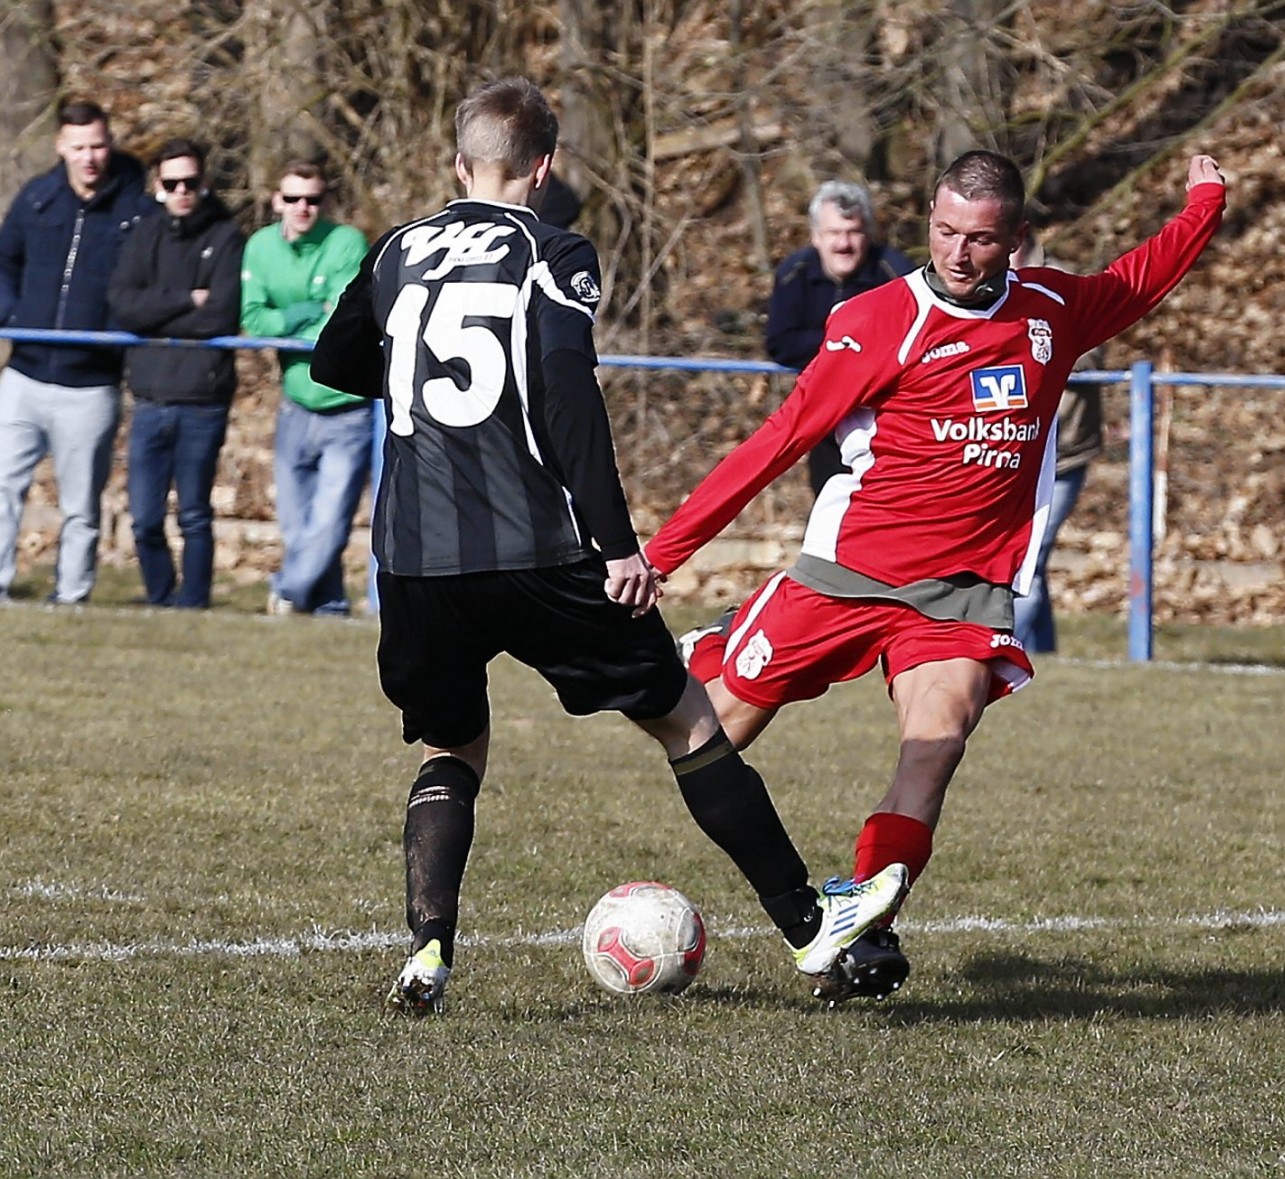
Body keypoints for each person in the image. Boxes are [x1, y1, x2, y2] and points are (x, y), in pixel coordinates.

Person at [310, 76, 906, 1016]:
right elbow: (568, 398)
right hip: (537, 544)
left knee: (451, 744)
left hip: (415, 558)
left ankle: (428, 951)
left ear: (457, 162)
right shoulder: (551, 251)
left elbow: (332, 361)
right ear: (542, 167)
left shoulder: (396, 249)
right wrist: (619, 545)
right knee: (687, 721)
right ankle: (808, 926)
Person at [649, 150, 1226, 1003]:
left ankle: (863, 928)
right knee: (713, 733)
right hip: (847, 572)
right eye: (946, 230)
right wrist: (661, 553)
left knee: (939, 737)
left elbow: (1139, 278)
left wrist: (1205, 201)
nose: (959, 252)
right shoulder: (876, 320)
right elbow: (778, 441)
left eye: (982, 239)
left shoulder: (1052, 311)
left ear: (1016, 241)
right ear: (927, 220)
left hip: (960, 591)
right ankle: (716, 649)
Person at [0, 100, 154, 605]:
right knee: (3, 489)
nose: (90, 157)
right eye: (80, 147)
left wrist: (109, 334)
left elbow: (144, 285)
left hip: (90, 385)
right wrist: (14, 317)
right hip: (23, 374)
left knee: (80, 505)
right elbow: (5, 263)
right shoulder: (36, 199)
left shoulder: (138, 211)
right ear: (61, 146)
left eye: (98, 145)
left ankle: (71, 596)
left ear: (110, 145)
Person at [107, 138, 245, 608]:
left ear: (203, 183)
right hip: (149, 397)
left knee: (193, 514)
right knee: (144, 517)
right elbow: (124, 306)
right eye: (172, 183)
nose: (182, 191)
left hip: (202, 400)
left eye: (191, 182)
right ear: (157, 186)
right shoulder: (143, 234)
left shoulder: (226, 236)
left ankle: (194, 602)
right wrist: (188, 298)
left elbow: (222, 316)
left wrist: (161, 310)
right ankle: (160, 595)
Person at [241, 160, 371, 616]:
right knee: (297, 525)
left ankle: (288, 592)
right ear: (276, 200)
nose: (302, 208)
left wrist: (294, 322)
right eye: (293, 198)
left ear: (325, 202)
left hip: (347, 406)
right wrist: (301, 312)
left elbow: (338, 325)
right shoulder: (259, 247)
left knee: (329, 522)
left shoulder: (346, 244)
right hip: (295, 402)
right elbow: (254, 321)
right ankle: (329, 602)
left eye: (312, 199)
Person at [765, 180, 915, 496]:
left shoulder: (895, 274)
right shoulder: (794, 273)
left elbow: (911, 343)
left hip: (887, 420)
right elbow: (780, 343)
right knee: (830, 508)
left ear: (869, 234)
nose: (844, 244)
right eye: (834, 233)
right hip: (824, 418)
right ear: (816, 236)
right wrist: (849, 349)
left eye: (854, 232)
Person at [1007, 222, 1104, 653]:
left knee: (1031, 556)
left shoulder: (1063, 287)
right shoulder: (984, 288)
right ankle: (1042, 651)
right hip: (1010, 450)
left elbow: (1090, 351)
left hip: (1063, 453)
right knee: (1027, 557)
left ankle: (1016, 650)